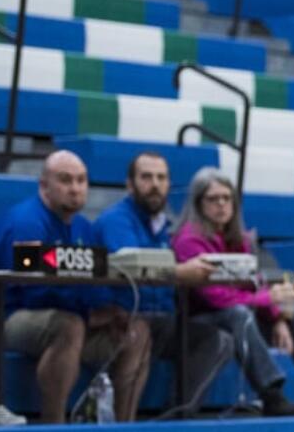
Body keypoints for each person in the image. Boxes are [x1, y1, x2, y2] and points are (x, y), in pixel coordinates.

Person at [172, 168, 294, 417]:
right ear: (198, 203)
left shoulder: (239, 238)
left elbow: (255, 283)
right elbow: (214, 297)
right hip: (201, 319)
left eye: (227, 198)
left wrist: (277, 316)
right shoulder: (188, 240)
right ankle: (272, 396)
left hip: (239, 315)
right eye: (213, 199)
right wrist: (267, 299)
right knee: (239, 314)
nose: (221, 205)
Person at [0, 151, 151, 423]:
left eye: (81, 181)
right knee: (68, 326)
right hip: (11, 319)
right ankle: (54, 424)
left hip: (71, 315)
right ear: (44, 185)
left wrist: (109, 311)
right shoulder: (26, 222)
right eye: (65, 180)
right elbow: (30, 292)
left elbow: (95, 283)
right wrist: (88, 313)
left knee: (137, 331)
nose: (75, 188)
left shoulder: (83, 228)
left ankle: (124, 426)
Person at [93, 152, 235, 415]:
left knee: (219, 339)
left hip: (164, 320)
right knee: (140, 333)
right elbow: (132, 266)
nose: (155, 184)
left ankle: (178, 413)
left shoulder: (162, 226)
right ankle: (124, 428)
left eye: (161, 177)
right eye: (146, 177)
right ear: (129, 184)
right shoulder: (117, 220)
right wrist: (181, 272)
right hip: (126, 318)